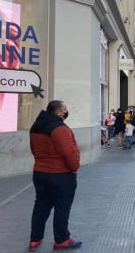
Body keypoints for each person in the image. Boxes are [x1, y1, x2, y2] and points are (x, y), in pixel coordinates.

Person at [28, 100, 82, 251]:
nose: (66, 112)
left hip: (40, 173)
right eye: (65, 110)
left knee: (41, 206)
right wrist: (74, 167)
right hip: (60, 175)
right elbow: (68, 152)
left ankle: (35, 239)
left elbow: (34, 149)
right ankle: (62, 239)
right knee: (62, 207)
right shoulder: (59, 129)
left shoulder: (36, 127)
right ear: (59, 112)